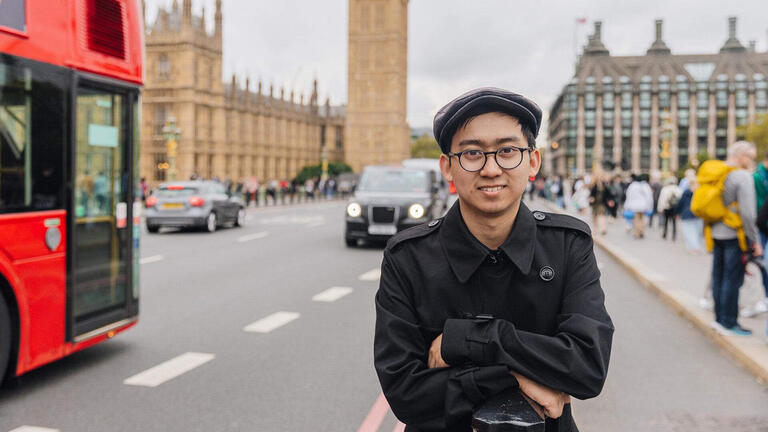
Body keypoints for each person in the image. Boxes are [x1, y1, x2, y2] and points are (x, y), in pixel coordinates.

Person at [374, 88, 613, 432]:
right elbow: (404, 393)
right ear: (448, 167)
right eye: (472, 153)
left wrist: (467, 338)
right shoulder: (407, 257)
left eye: (507, 151)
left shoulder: (567, 245)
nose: (490, 168)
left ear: (533, 161)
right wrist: (517, 377)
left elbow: (587, 366)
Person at [708, 141, 761, 336]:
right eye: (750, 157)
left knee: (718, 276)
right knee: (732, 279)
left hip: (716, 232)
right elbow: (748, 213)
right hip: (735, 235)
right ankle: (729, 322)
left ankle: (719, 318)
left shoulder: (718, 172)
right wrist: (754, 239)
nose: (751, 161)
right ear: (741, 156)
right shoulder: (741, 176)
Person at [675, 179, 705, 254]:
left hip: (687, 214)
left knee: (689, 232)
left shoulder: (686, 192)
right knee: (697, 232)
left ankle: (694, 248)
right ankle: (696, 247)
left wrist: (677, 212)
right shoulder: (701, 192)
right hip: (698, 214)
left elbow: (680, 203)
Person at [623, 173, 654, 239]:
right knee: (642, 219)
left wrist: (627, 205)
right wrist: (649, 205)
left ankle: (637, 233)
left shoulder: (633, 186)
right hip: (644, 206)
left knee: (636, 219)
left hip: (635, 206)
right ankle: (641, 231)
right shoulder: (646, 186)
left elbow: (629, 195)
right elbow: (649, 196)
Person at [657, 176, 681, 241]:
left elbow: (661, 199)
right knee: (674, 222)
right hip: (674, 208)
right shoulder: (677, 189)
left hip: (666, 207)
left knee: (666, 221)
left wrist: (660, 208)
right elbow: (680, 200)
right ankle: (674, 235)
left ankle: (665, 234)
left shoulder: (665, 189)